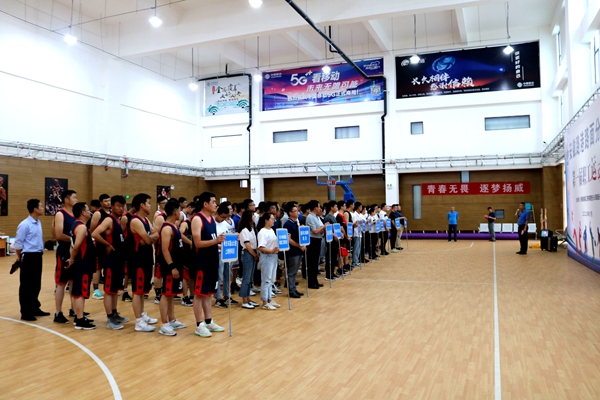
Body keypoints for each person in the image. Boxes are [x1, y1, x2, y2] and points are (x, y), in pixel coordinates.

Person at [191, 191, 226, 337]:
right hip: (202, 262)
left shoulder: (211, 219)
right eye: (213, 202)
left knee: (209, 293)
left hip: (213, 261)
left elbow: (211, 241)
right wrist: (216, 241)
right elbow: (198, 243)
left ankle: (208, 321)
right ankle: (199, 325)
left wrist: (223, 244)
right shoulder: (197, 219)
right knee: (199, 294)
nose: (216, 204)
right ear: (205, 204)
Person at [91, 195, 129, 330]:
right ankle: (109, 318)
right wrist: (107, 244)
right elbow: (95, 233)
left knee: (115, 290)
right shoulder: (108, 220)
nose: (121, 208)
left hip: (119, 259)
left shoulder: (118, 220)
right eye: (118, 206)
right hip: (110, 260)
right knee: (109, 290)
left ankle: (114, 313)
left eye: (123, 206)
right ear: (112, 206)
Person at [127, 193, 159, 332]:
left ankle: (141, 314)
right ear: (142, 205)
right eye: (148, 203)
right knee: (137, 291)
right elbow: (149, 240)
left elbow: (156, 234)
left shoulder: (145, 219)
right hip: (138, 260)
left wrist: (149, 238)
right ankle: (138, 322)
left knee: (142, 291)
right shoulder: (135, 221)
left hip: (146, 258)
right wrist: (149, 238)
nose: (150, 205)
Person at [155, 199, 187, 336]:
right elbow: (164, 250)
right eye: (179, 210)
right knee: (166, 294)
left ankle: (172, 319)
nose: (181, 213)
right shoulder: (167, 228)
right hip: (170, 267)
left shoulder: (174, 226)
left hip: (177, 265)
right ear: (175, 212)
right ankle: (164, 324)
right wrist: (172, 267)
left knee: (171, 294)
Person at [13, 199, 48, 321]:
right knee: (26, 285)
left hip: (38, 256)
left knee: (36, 284)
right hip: (28, 256)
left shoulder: (38, 222)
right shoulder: (25, 224)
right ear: (35, 209)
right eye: (41, 206)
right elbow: (18, 243)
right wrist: (19, 257)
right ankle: (25, 312)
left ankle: (34, 307)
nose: (42, 208)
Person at [66, 202, 96, 330]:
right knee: (80, 292)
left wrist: (71, 258)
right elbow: (77, 245)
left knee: (77, 291)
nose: (90, 212)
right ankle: (79, 320)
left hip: (81, 262)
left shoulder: (76, 225)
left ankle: (79, 316)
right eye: (88, 210)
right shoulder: (82, 227)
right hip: (83, 263)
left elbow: (72, 245)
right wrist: (72, 258)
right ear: (83, 212)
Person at [53, 189, 78, 324]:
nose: (76, 200)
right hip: (64, 252)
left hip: (74, 252)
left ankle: (74, 309)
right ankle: (58, 313)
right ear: (66, 200)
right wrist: (75, 239)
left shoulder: (75, 214)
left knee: (73, 281)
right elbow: (58, 235)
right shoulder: (60, 214)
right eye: (74, 197)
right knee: (61, 283)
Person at [90, 193, 111, 301]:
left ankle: (108, 288)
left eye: (109, 200)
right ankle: (96, 290)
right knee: (98, 268)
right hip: (99, 244)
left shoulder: (112, 213)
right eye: (106, 201)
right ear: (101, 203)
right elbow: (92, 229)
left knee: (109, 267)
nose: (108, 203)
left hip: (110, 245)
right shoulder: (98, 214)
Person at [257, 212, 280, 310]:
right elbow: (261, 247)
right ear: (266, 220)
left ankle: (269, 299)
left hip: (274, 256)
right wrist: (271, 250)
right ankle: (265, 301)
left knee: (271, 280)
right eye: (272, 219)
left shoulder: (271, 230)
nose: (274, 221)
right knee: (266, 280)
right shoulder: (262, 232)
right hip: (267, 257)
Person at [238, 210, 260, 309]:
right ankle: (244, 300)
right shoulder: (244, 230)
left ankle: (248, 299)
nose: (254, 217)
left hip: (252, 252)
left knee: (250, 278)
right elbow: (247, 245)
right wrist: (254, 255)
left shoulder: (251, 228)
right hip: (247, 253)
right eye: (252, 216)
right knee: (246, 278)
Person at [284, 203, 305, 298]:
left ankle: (294, 288)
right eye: (295, 211)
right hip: (292, 251)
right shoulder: (288, 224)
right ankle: (291, 290)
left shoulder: (297, 222)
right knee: (291, 272)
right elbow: (288, 239)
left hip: (298, 250)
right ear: (290, 213)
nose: (298, 213)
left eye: (298, 211)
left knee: (295, 271)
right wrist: (298, 246)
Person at [305, 200, 326, 289]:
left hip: (318, 240)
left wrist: (323, 228)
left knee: (315, 261)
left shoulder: (317, 217)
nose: (320, 208)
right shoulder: (310, 217)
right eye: (319, 206)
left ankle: (315, 281)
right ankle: (311, 282)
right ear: (315, 208)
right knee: (312, 262)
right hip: (312, 241)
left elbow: (320, 229)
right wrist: (324, 226)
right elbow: (315, 231)